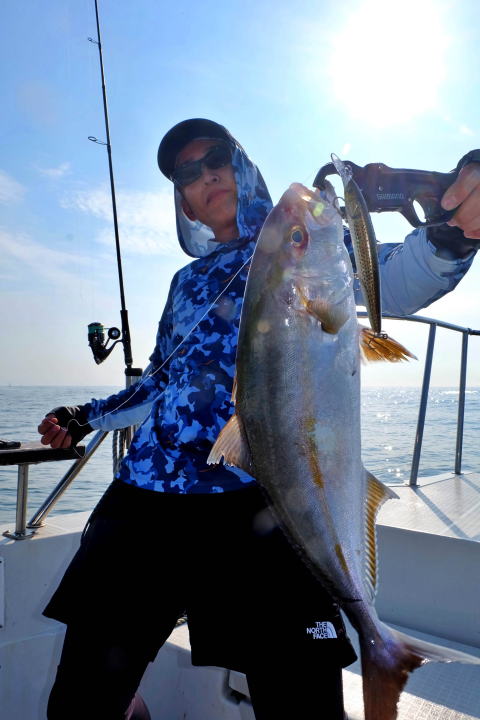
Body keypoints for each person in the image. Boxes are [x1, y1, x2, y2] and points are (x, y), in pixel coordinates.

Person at [38, 118, 480, 720]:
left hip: (266, 495)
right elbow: (159, 381)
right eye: (187, 173)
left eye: (215, 158)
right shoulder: (185, 282)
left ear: (242, 166)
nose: (205, 175)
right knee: (82, 699)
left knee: (301, 704)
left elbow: (399, 280)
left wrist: (452, 236)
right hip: (147, 495)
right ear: (183, 201)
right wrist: (83, 415)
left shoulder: (307, 244)